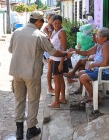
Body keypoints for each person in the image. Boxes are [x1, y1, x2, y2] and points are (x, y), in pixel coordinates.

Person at [8, 11, 73, 140]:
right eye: (42, 22)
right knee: (33, 100)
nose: (42, 24)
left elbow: (10, 50)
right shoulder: (39, 35)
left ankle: (19, 130)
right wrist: (66, 54)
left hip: (17, 72)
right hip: (31, 73)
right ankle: (31, 128)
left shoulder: (16, 32)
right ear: (38, 22)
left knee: (19, 99)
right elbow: (53, 51)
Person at [70, 27, 109, 103]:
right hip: (99, 70)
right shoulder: (99, 45)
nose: (96, 37)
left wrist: (93, 64)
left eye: (99, 36)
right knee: (80, 73)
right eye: (97, 35)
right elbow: (86, 52)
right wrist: (75, 51)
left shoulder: (107, 46)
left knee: (83, 78)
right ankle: (91, 95)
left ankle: (97, 98)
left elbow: (105, 63)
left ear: (105, 38)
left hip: (108, 72)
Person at [48, 15, 70, 108]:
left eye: (59, 23)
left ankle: (56, 102)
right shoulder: (54, 32)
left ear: (61, 23)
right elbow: (53, 47)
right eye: (55, 23)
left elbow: (64, 49)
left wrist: (61, 62)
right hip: (54, 58)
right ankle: (63, 98)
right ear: (52, 23)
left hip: (60, 60)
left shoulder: (62, 32)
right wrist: (51, 58)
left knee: (57, 81)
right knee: (60, 80)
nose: (57, 25)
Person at [42, 13, 55, 94]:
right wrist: (50, 31)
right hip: (49, 50)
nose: (53, 21)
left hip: (54, 49)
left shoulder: (54, 26)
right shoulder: (46, 28)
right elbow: (49, 39)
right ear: (48, 19)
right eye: (52, 20)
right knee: (50, 69)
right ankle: (49, 87)